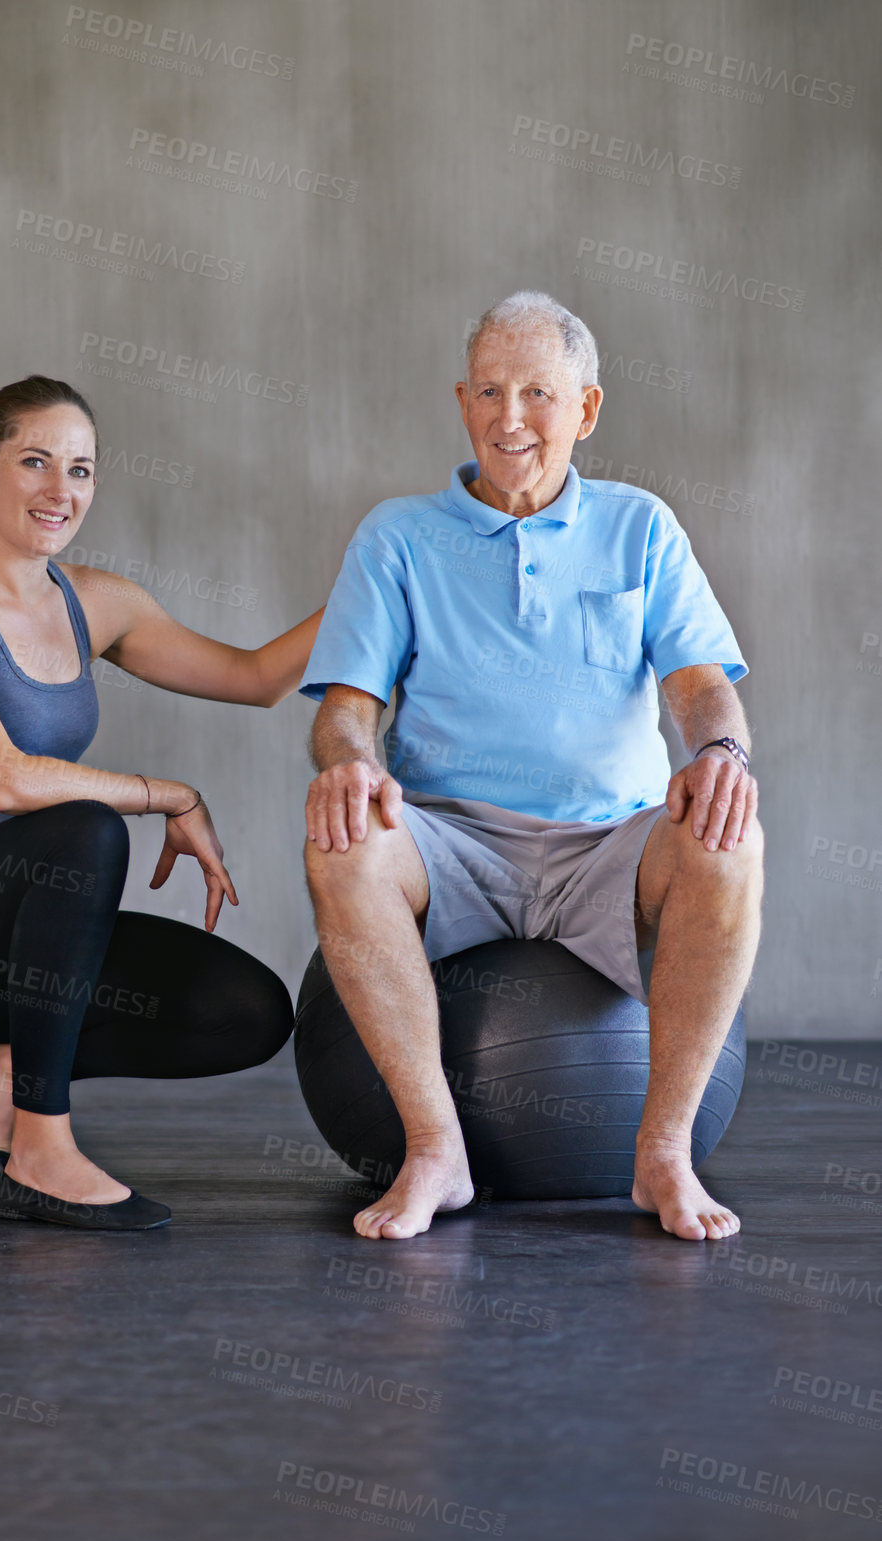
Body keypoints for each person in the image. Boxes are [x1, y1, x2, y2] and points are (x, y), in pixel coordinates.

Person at [300, 291, 763, 1244]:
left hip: (611, 843)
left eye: (539, 394)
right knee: (344, 843)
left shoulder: (641, 528)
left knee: (730, 838)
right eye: (490, 392)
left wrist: (721, 751)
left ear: (586, 409)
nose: (511, 419)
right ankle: (436, 1151)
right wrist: (349, 765)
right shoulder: (397, 536)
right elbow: (348, 712)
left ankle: (664, 1154)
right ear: (462, 403)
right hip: (452, 839)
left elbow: (700, 689)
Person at [0, 375, 321, 1231]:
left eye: (83, 470)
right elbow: (4, 779)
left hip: (26, 930)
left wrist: (397, 568)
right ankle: (39, 1150)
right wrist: (164, 795)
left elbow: (257, 677)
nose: (62, 491)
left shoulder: (97, 604)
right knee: (86, 833)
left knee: (247, 1014)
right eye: (35, 462)